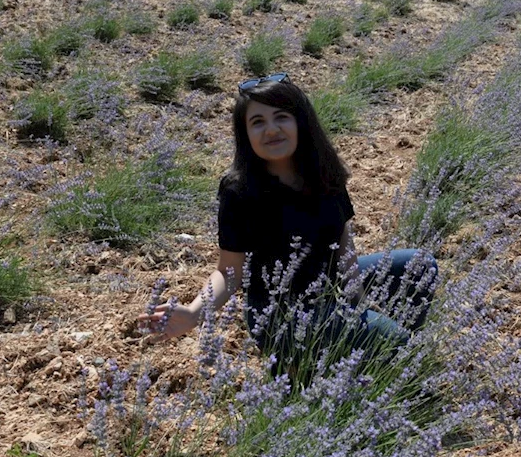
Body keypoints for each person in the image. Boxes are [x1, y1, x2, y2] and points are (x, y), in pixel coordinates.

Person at [137, 73, 437, 377]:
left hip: (328, 286)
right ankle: (317, 365)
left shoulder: (323, 170)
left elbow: (342, 238)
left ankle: (379, 363)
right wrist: (193, 312)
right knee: (398, 345)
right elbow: (229, 272)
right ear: (245, 134)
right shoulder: (239, 190)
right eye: (257, 122)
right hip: (281, 313)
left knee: (420, 266)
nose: (271, 129)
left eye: (281, 117)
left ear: (300, 122)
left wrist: (358, 300)